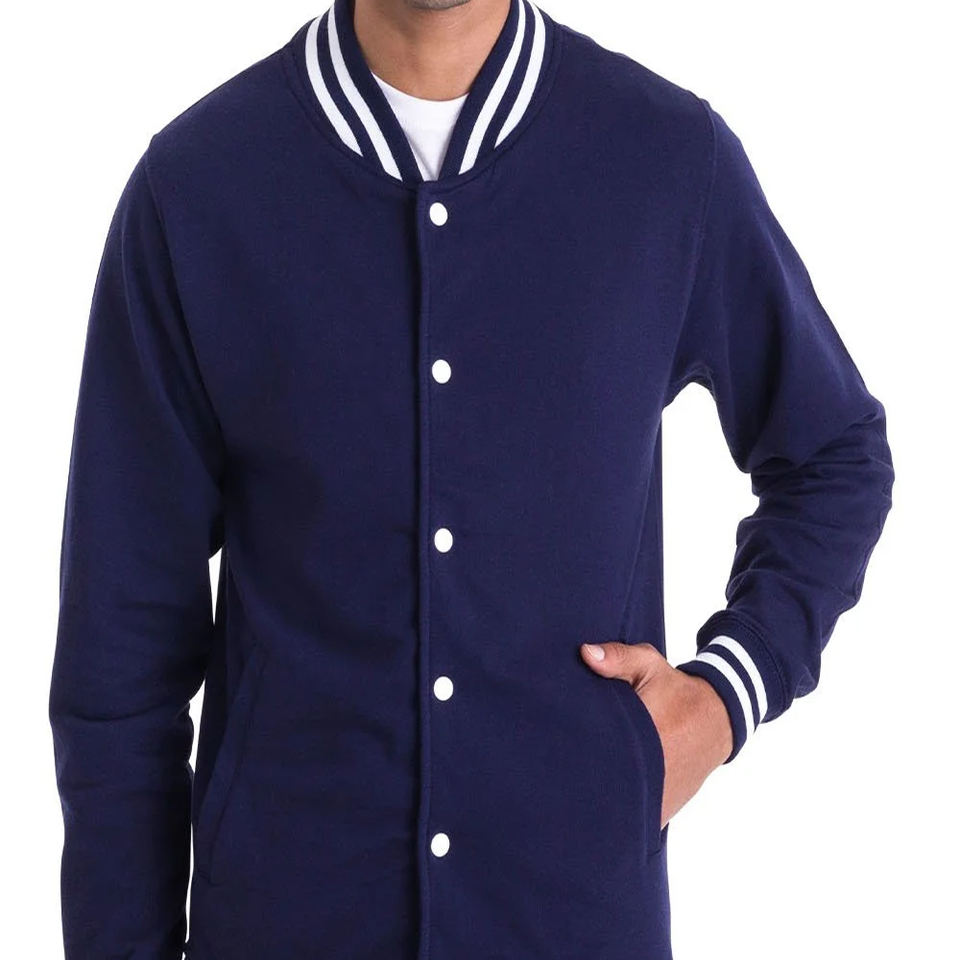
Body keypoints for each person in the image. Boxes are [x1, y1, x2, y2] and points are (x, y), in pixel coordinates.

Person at [48, 0, 894, 957]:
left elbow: (835, 455)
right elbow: (117, 653)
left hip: (572, 923)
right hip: (286, 919)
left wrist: (726, 695)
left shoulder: (665, 160)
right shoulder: (197, 189)